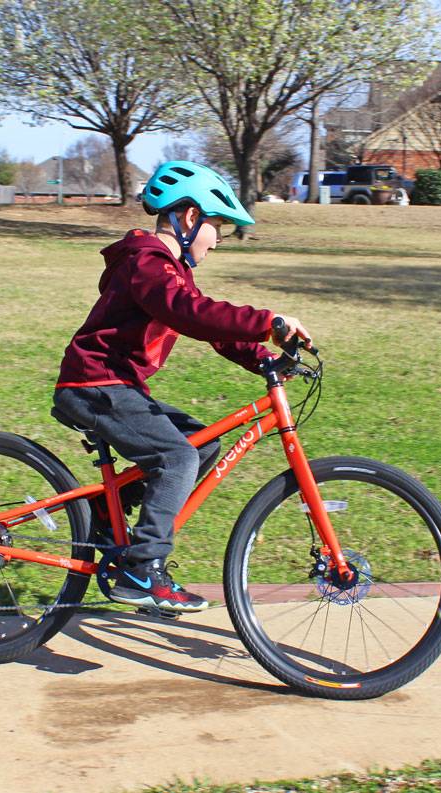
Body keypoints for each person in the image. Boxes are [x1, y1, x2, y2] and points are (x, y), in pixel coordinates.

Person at [52, 160, 310, 612]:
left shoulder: (167, 268)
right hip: (95, 384)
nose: (218, 239)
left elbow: (211, 326)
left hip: (120, 386)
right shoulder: (147, 262)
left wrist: (264, 357)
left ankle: (102, 512)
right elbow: (187, 312)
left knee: (200, 444)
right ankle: (141, 567)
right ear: (189, 217)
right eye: (217, 226)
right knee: (177, 457)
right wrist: (267, 322)